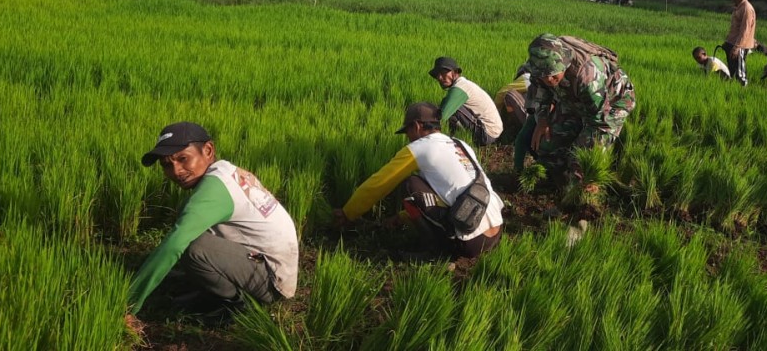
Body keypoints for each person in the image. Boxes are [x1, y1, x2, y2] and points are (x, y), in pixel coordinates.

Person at [127, 122, 299, 323]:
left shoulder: (214, 190)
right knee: (188, 219)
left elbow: (174, 244)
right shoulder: (224, 170)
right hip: (267, 265)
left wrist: (129, 304)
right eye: (167, 164)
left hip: (271, 283)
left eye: (183, 159)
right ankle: (213, 289)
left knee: (191, 245)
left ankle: (236, 305)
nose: (176, 171)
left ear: (208, 150)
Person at [334, 102, 503, 258]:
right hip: (495, 232)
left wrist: (349, 212)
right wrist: (401, 217)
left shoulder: (419, 148)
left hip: (470, 242)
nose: (408, 138)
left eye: (407, 132)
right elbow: (445, 195)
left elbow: (379, 183)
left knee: (411, 184)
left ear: (416, 126)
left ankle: (435, 251)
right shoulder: (460, 144)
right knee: (428, 184)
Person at [514, 34, 636, 183]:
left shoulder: (587, 75)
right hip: (572, 99)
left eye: (553, 75)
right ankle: (551, 181)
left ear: (564, 65)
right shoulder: (538, 67)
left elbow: (599, 120)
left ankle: (583, 193)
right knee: (547, 146)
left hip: (611, 104)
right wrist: (543, 120)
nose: (548, 80)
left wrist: (584, 145)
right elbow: (541, 91)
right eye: (543, 75)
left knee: (581, 163)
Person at [429, 57, 503, 146]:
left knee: (450, 108)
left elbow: (441, 117)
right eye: (437, 75)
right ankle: (455, 138)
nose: (440, 77)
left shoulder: (460, 88)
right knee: (446, 104)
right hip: (491, 132)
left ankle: (451, 141)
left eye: (444, 73)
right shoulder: (463, 85)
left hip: (487, 133)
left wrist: (426, 131)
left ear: (455, 72)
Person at [722, 0, 756, 86]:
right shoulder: (738, 7)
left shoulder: (747, 8)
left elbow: (744, 31)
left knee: (740, 74)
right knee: (732, 71)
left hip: (740, 46)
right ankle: (733, 89)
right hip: (732, 43)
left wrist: (737, 47)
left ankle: (743, 92)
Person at [493, 63, 532, 137]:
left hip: (536, 122)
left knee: (509, 95)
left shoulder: (527, 78)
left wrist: (495, 115)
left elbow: (501, 93)